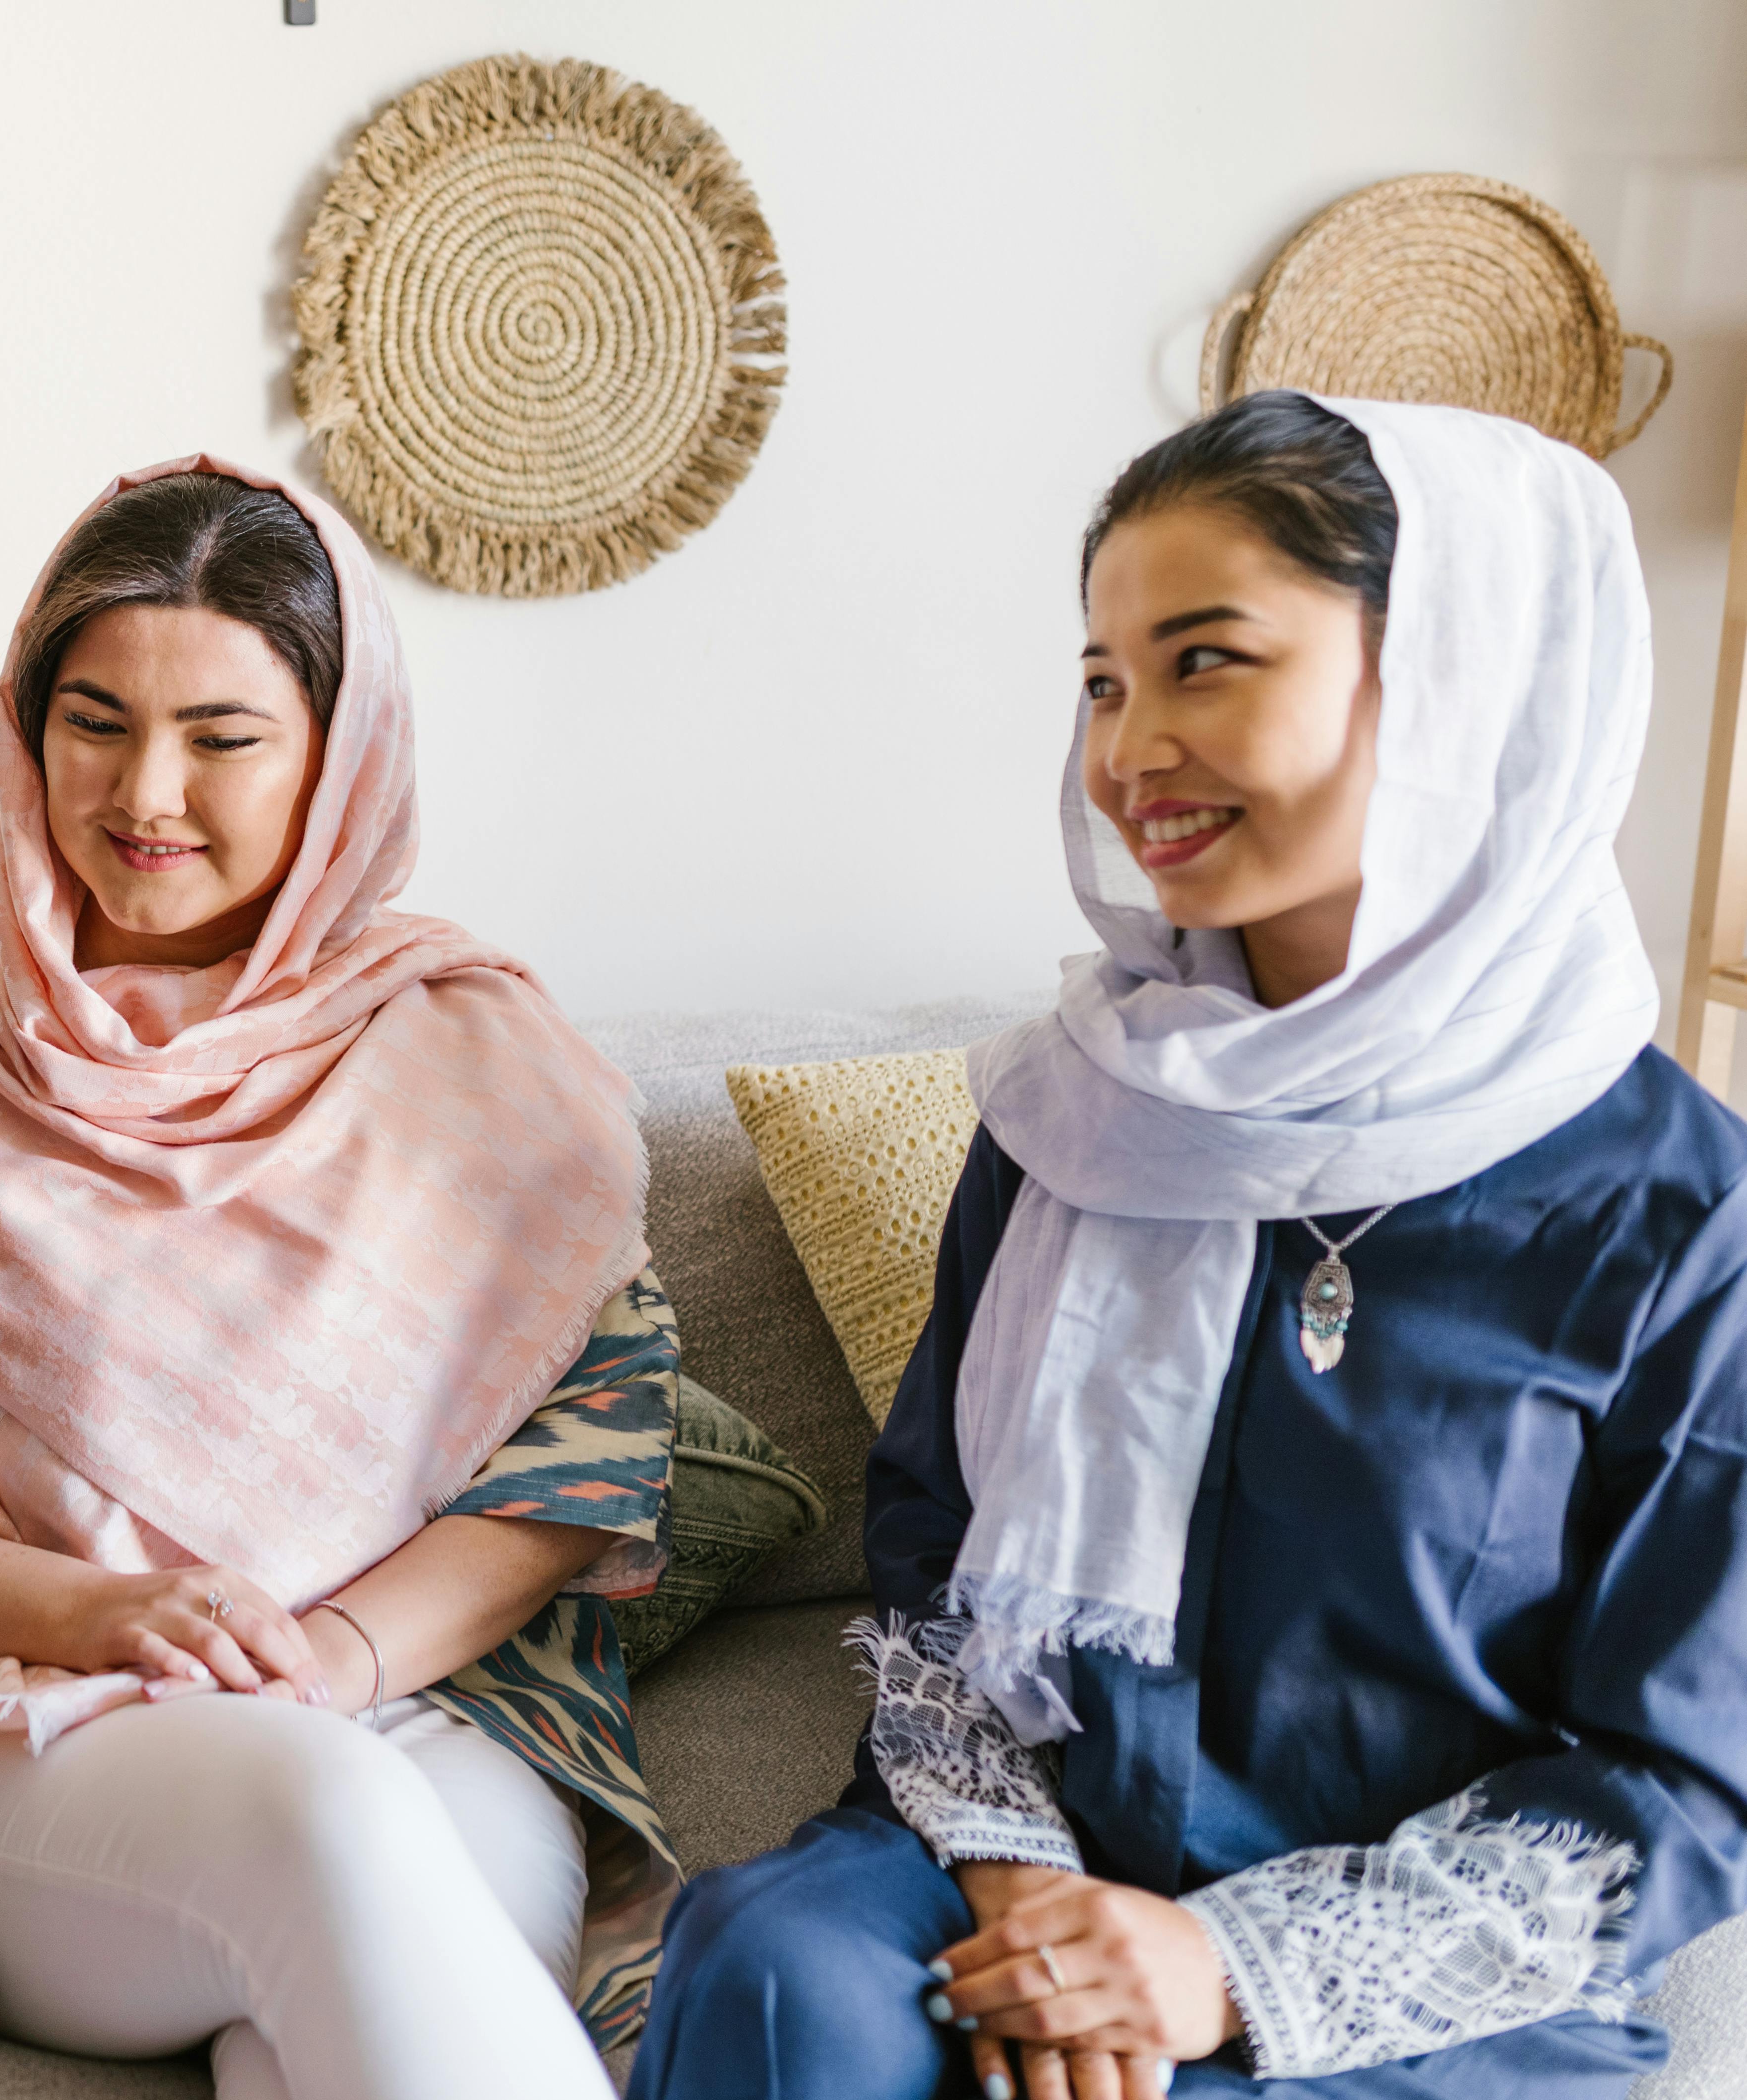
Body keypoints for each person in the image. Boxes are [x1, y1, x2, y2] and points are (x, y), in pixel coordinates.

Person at [626, 391, 1747, 2100]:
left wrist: (1214, 1966)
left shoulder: (1688, 1219)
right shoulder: (1071, 1116)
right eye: (1101, 679)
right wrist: (1030, 1888)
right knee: (781, 1977)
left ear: (1451, 684)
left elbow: (1681, 1776)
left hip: (1408, 1988)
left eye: (1206, 661)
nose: (1129, 744)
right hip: (1014, 1864)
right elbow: (935, 1551)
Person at [0, 460, 684, 2100]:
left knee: (326, 2001)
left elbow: (584, 1449)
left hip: (419, 1701)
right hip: (23, 1723)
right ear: (27, 726)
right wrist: (113, 1610)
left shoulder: (478, 1055)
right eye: (96, 721)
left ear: (340, 761)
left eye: (224, 738)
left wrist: (339, 1659)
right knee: (328, 1818)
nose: (148, 790)